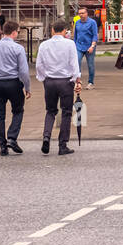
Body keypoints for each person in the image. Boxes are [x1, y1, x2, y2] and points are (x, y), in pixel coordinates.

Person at [0, 19, 30, 156]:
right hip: (13, 83)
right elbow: (24, 71)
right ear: (14, 32)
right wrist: (27, 87)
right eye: (18, 32)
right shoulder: (18, 48)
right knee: (18, 111)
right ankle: (12, 137)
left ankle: (2, 145)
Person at [35, 18, 80, 156]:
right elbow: (74, 63)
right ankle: (62, 145)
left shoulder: (44, 45)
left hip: (50, 81)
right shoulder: (70, 44)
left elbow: (39, 65)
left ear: (52, 30)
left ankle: (46, 136)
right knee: (66, 112)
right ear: (65, 31)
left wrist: (43, 78)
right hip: (65, 81)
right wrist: (76, 79)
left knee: (50, 111)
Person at [73, 6, 98, 89]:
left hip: (89, 46)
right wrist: (74, 45)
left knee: (90, 65)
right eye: (79, 13)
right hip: (79, 46)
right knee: (77, 63)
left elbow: (95, 35)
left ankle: (91, 82)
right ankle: (78, 81)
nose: (81, 15)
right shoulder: (77, 23)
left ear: (87, 13)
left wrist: (92, 46)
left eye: (83, 13)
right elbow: (75, 35)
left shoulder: (92, 22)